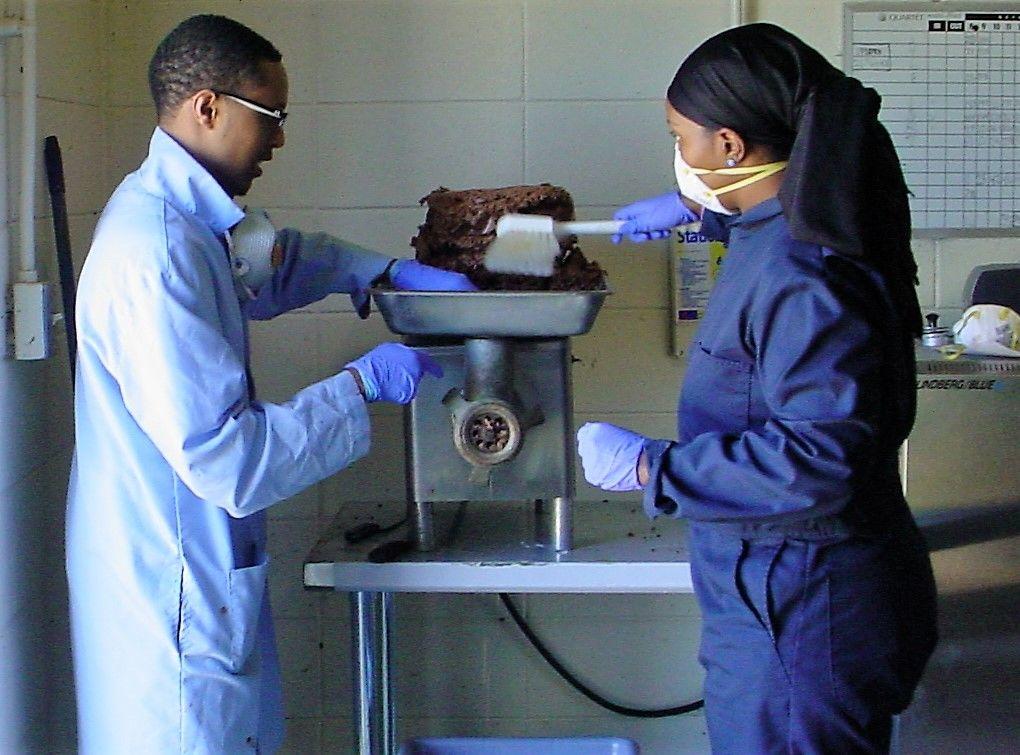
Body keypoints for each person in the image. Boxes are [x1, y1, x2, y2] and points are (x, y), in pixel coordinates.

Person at [65, 14, 475, 754]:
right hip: (172, 608)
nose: (280, 139)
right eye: (272, 117)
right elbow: (231, 460)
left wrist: (376, 273)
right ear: (209, 108)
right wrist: (362, 385)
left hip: (191, 580)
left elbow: (271, 263)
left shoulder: (188, 219)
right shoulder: (156, 252)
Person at [576, 23, 937, 754]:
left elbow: (821, 458)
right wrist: (697, 211)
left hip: (803, 611)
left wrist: (652, 467)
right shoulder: (784, 228)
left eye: (682, 139)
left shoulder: (807, 273)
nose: (679, 156)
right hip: (779, 599)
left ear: (731, 146)